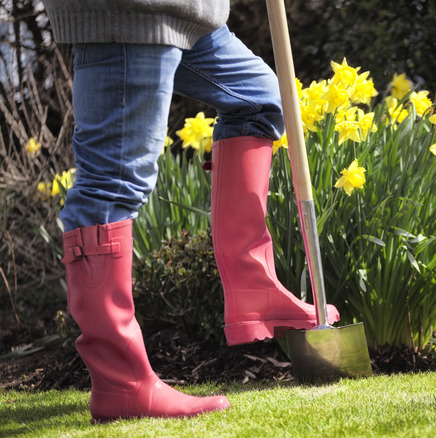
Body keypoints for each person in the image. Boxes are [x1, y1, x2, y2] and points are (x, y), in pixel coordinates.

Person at [42, 0, 340, 423]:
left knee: (258, 102)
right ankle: (121, 383)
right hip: (134, 11)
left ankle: (255, 293)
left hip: (190, 12)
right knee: (112, 183)